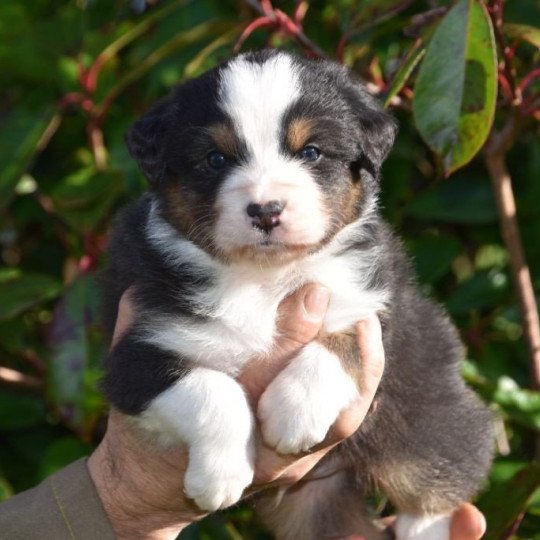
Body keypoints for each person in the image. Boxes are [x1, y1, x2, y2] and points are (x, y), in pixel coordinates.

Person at [0, 284, 486, 539]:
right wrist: (132, 496)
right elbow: (138, 374)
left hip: (400, 429)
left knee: (423, 480)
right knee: (305, 513)